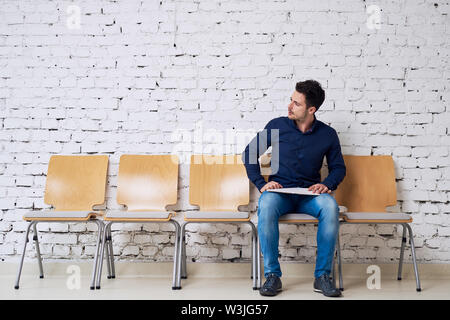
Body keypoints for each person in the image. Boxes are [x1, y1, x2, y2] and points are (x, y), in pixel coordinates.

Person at [242, 80, 346, 297]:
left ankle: (322, 276)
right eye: (291, 100)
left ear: (311, 109)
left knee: (330, 207)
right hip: (280, 193)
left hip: (310, 194)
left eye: (296, 103)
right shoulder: (277, 125)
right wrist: (262, 184)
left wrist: (326, 185)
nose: (289, 106)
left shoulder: (327, 134)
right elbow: (249, 153)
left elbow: (338, 168)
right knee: (267, 204)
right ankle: (272, 276)